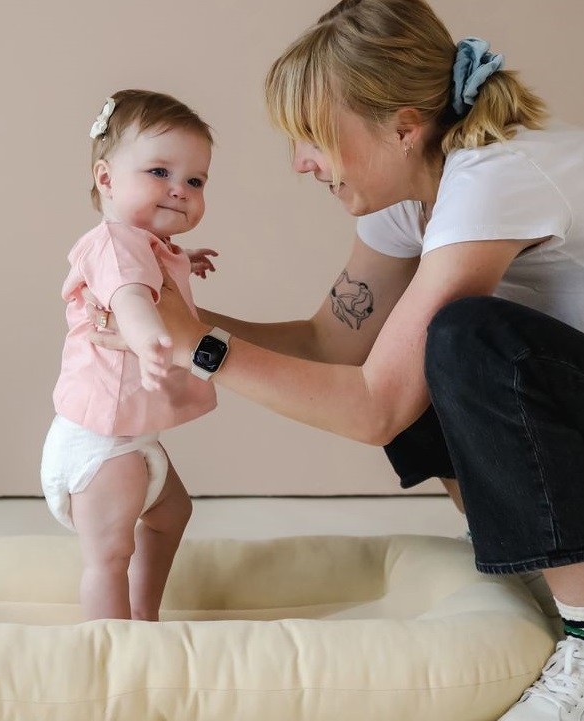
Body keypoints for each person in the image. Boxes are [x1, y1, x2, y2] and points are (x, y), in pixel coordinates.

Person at [92, 1, 584, 717]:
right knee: (414, 341)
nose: (300, 163)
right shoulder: (406, 187)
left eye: (313, 138)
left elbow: (374, 404)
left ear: (404, 125)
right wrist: (161, 315)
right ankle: (537, 570)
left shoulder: (493, 176)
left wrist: (195, 345)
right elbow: (333, 342)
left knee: (460, 338)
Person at [41, 89, 219, 622]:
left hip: (131, 437)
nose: (179, 190)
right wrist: (146, 339)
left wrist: (183, 257)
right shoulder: (113, 246)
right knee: (109, 556)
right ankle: (112, 648)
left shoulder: (142, 244)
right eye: (160, 172)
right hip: (99, 445)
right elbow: (129, 296)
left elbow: (144, 271)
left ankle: (144, 619)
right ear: (106, 179)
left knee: (172, 515)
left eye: (195, 181)